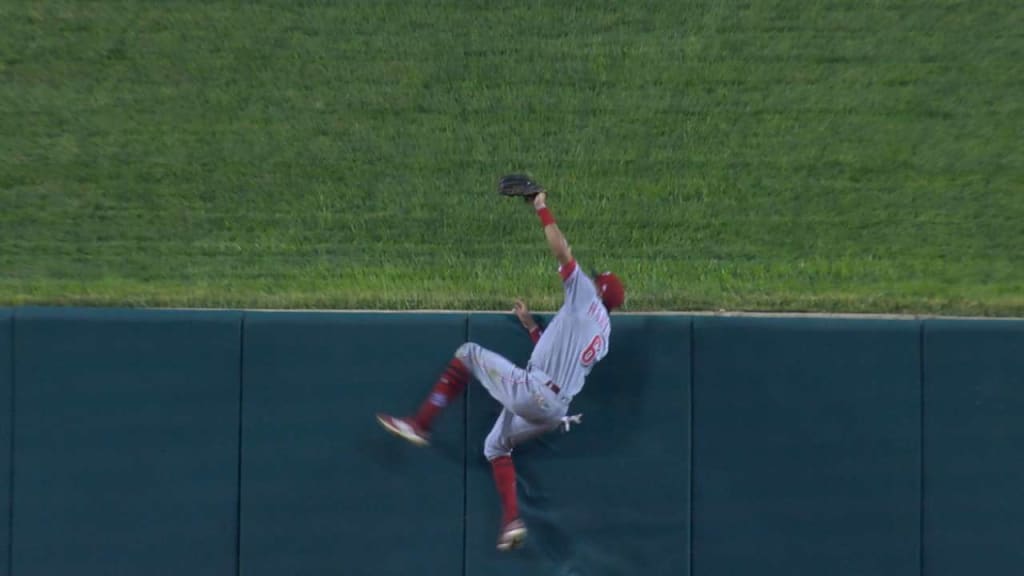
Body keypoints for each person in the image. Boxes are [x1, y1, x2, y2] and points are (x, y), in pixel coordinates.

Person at [376, 190, 625, 551]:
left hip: (535, 393)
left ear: (598, 287)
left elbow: (562, 251)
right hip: (555, 408)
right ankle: (511, 521)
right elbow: (559, 354)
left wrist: (541, 207)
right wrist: (531, 327)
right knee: (495, 447)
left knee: (468, 353)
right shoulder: (603, 333)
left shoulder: (585, 294)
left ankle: (420, 424)